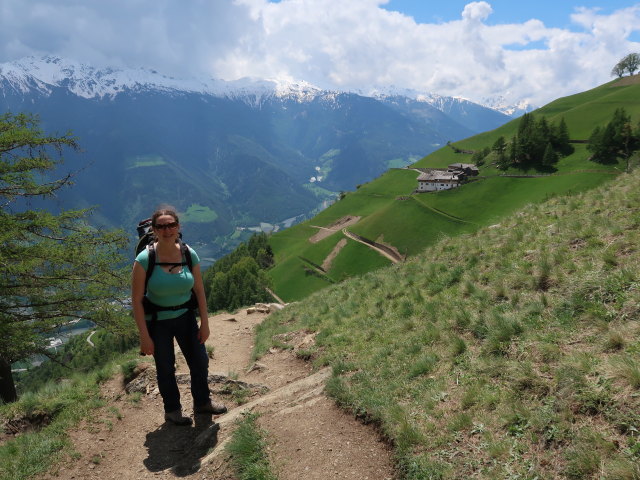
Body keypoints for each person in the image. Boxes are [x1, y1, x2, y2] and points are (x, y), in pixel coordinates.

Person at [131, 206, 226, 425]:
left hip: (186, 317)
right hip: (158, 322)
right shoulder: (145, 259)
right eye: (161, 226)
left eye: (171, 225)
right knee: (165, 367)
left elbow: (200, 290)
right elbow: (136, 300)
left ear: (178, 226)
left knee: (200, 362)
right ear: (154, 230)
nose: (167, 230)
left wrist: (205, 323)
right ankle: (172, 410)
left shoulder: (187, 253)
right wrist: (144, 336)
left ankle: (202, 402)